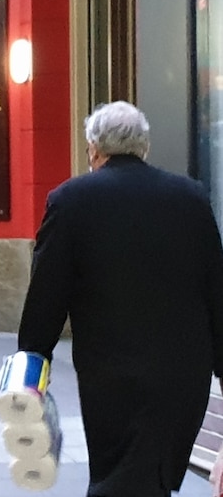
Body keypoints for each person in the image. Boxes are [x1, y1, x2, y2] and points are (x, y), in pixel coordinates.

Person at [17, 101, 223, 497]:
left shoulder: (71, 199)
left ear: (94, 149)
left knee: (120, 475)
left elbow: (47, 291)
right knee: (151, 475)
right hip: (182, 374)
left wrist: (33, 363)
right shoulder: (190, 198)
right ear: (143, 147)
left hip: (110, 372)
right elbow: (216, 288)